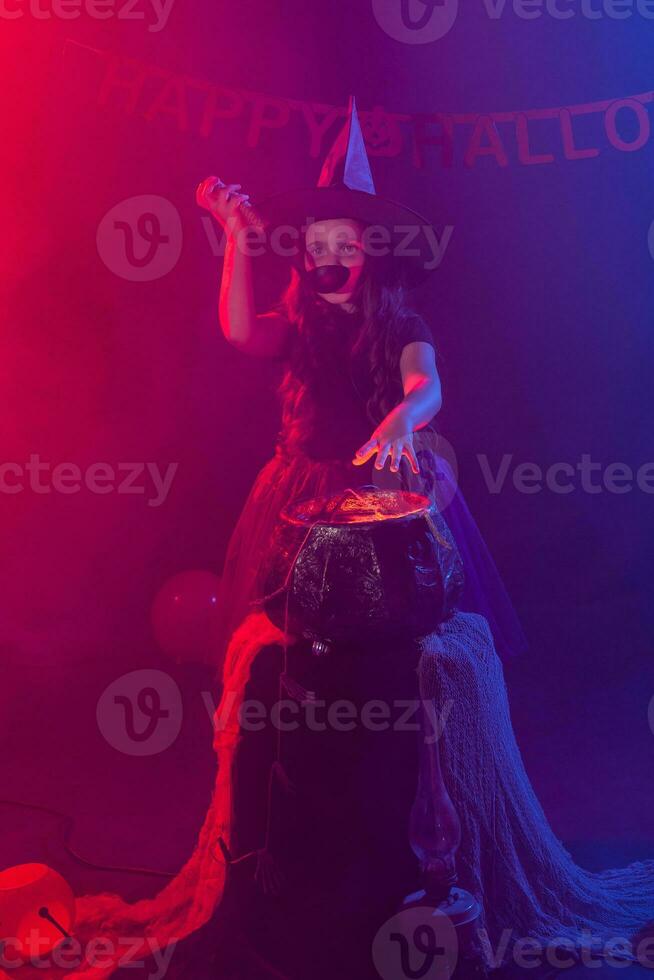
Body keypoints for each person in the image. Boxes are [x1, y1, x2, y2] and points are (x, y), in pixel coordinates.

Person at [196, 97, 529, 675]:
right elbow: (239, 331)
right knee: (312, 631)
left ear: (371, 255)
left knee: (398, 623)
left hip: (391, 487)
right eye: (317, 247)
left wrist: (404, 415)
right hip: (306, 493)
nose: (330, 257)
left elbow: (426, 385)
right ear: (302, 259)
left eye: (345, 246)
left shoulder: (403, 327)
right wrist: (237, 243)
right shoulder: (297, 327)